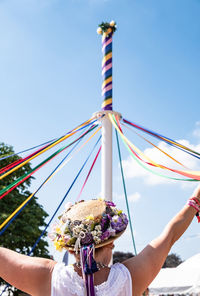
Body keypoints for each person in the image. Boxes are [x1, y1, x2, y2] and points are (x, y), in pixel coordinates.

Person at [0, 184, 200, 296]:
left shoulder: (48, 276)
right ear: (111, 242)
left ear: (70, 248)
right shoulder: (130, 278)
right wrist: (195, 200)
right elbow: (169, 236)